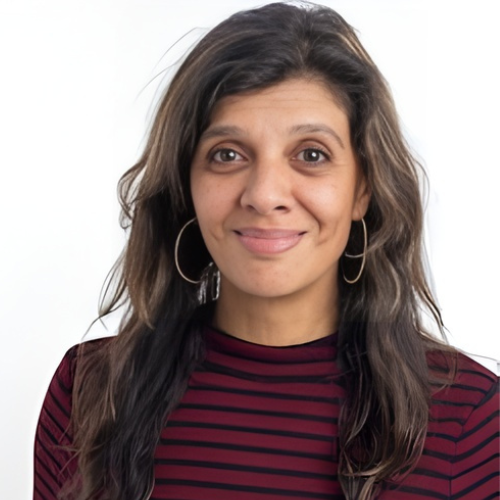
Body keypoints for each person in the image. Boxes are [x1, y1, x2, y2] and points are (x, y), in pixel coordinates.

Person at [33, 2, 499, 500]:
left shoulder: (471, 421)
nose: (264, 194)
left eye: (311, 154)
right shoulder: (89, 393)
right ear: (186, 185)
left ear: (362, 189)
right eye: (227, 154)